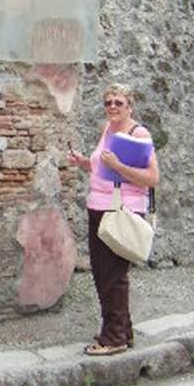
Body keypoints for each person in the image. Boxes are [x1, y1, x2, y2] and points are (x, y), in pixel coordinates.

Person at [68, 82, 160, 356]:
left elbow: (152, 178)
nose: (112, 107)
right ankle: (122, 331)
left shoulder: (138, 133)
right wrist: (84, 162)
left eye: (118, 102)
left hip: (122, 210)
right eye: (108, 102)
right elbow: (100, 167)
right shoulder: (107, 130)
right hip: (99, 207)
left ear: (129, 106)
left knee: (113, 275)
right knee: (103, 273)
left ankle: (113, 338)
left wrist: (118, 166)